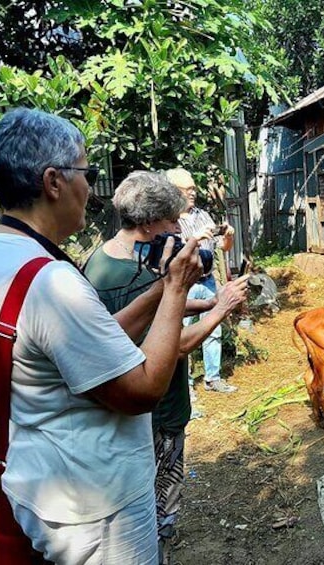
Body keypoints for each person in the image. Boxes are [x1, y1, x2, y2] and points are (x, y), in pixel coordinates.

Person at [0, 108, 204, 563]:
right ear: (53, 182)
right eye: (85, 172)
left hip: (45, 485)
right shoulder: (52, 283)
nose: (90, 187)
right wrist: (175, 288)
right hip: (96, 510)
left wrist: (155, 290)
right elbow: (143, 389)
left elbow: (95, 345)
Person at [83, 171, 249, 564]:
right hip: (153, 420)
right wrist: (222, 308)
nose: (178, 229)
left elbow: (154, 311)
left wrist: (204, 303)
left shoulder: (105, 259)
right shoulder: (134, 277)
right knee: (155, 517)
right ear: (147, 224)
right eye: (172, 222)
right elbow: (172, 346)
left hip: (125, 417)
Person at [165, 167, 239, 393]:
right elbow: (170, 249)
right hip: (183, 284)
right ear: (172, 191)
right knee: (178, 335)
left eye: (193, 188)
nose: (192, 193)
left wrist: (228, 237)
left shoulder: (203, 215)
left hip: (206, 281)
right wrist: (192, 239)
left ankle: (212, 377)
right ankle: (184, 387)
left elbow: (223, 248)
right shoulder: (168, 219)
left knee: (213, 328)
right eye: (186, 189)